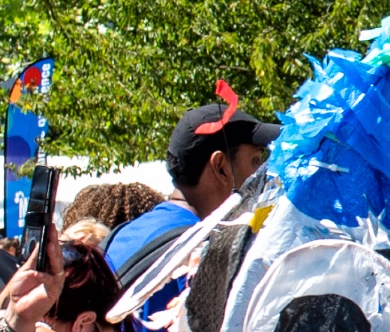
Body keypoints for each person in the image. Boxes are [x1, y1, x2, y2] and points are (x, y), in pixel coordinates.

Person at [103, 102, 279, 284]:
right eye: (256, 160)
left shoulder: (122, 235)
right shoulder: (199, 256)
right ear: (220, 167)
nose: (264, 173)